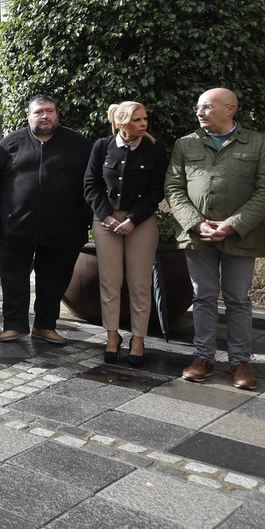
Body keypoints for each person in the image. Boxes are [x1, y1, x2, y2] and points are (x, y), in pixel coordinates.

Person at [164, 87, 265, 391]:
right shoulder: (185, 144)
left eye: (207, 107)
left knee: (237, 299)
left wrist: (232, 224)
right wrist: (195, 222)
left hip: (242, 235)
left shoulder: (260, 144)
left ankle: (239, 361)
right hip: (198, 236)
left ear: (230, 110)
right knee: (202, 296)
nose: (199, 112)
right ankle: (203, 357)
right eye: (198, 107)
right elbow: (174, 188)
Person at [0, 96, 91, 344]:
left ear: (57, 114)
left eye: (50, 111)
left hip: (64, 227)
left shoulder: (77, 144)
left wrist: (86, 216)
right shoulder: (10, 144)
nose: (45, 116)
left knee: (53, 280)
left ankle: (45, 325)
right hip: (16, 225)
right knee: (13, 278)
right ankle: (15, 325)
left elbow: (91, 182)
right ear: (29, 116)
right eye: (39, 112)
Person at [83, 102, 168, 366]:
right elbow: (91, 184)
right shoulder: (102, 146)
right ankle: (111, 337)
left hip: (140, 222)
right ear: (122, 124)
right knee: (110, 282)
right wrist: (107, 216)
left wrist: (132, 219)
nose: (144, 124)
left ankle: (138, 339)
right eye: (137, 120)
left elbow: (157, 191)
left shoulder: (155, 148)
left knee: (140, 283)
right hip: (105, 220)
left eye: (145, 118)